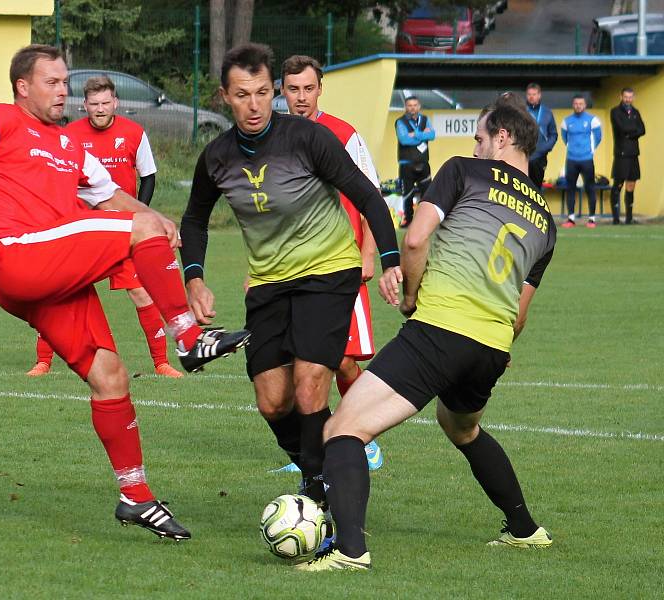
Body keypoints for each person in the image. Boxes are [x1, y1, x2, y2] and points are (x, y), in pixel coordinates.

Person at [0, 44, 250, 541]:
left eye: (65, 82)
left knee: (111, 377)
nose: (63, 90)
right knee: (140, 229)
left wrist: (157, 221)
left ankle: (136, 495)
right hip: (18, 256)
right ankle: (188, 338)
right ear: (23, 87)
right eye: (52, 82)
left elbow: (110, 197)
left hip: (51, 275)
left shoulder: (70, 146)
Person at [298, 93, 556, 571]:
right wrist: (497, 343)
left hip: (441, 329)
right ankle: (525, 529)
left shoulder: (463, 170)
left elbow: (415, 238)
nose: (476, 146)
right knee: (462, 427)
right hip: (492, 346)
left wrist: (411, 296)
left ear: (502, 137)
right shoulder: (545, 218)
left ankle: (349, 552)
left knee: (343, 428)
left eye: (480, 138)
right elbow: (519, 315)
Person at [179, 44, 401, 515]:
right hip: (267, 284)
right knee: (272, 401)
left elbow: (367, 194)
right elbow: (195, 218)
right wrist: (194, 279)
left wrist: (388, 258)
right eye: (243, 95)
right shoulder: (217, 157)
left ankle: (320, 494)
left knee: (308, 385)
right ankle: (319, 466)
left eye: (263, 92)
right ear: (225, 97)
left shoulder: (307, 138)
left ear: (272, 92)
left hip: (328, 272)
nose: (255, 104)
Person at [27, 75, 182, 379]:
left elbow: (148, 176)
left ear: (116, 103)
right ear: (85, 106)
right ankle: (43, 361)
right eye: (94, 104)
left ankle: (161, 363)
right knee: (57, 292)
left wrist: (141, 217)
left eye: (105, 103)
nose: (99, 109)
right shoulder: (68, 135)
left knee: (141, 293)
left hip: (123, 229)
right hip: (80, 230)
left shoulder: (134, 133)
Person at [274, 54, 384, 473]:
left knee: (341, 358)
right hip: (290, 268)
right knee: (301, 359)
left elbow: (372, 196)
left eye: (308, 88)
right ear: (282, 92)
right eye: (293, 89)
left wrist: (369, 253)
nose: (301, 98)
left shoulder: (344, 134)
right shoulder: (273, 137)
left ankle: (363, 437)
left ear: (320, 89)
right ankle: (312, 450)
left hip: (340, 266)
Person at [561, 94, 602, 228]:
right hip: (571, 160)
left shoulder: (593, 120)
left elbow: (598, 138)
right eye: (576, 104)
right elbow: (564, 138)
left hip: (587, 160)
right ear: (573, 105)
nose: (578, 106)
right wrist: (573, 150)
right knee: (570, 188)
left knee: (590, 188)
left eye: (581, 104)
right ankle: (571, 219)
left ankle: (591, 219)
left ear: (585, 105)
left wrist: (589, 151)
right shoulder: (566, 121)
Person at [395, 95, 435, 227]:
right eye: (409, 105)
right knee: (407, 194)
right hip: (406, 164)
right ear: (406, 107)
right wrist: (422, 134)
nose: (412, 108)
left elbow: (432, 135)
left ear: (419, 106)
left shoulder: (425, 119)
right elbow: (404, 140)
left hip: (424, 163)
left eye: (415, 105)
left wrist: (415, 134)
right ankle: (408, 220)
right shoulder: (400, 122)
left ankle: (426, 221)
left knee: (428, 194)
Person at [609, 87, 645, 225]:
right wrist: (633, 130)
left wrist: (630, 133)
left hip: (634, 153)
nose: (628, 99)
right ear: (621, 97)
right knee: (618, 185)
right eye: (626, 97)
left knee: (631, 185)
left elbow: (643, 129)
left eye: (630, 97)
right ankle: (616, 219)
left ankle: (629, 218)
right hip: (621, 153)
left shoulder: (636, 112)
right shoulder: (615, 111)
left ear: (633, 97)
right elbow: (621, 128)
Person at [525, 82, 557, 188]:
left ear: (539, 95)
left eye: (534, 94)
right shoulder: (521, 111)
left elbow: (553, 134)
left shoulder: (547, 112)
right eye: (529, 94)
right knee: (523, 188)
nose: (531, 97)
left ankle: (536, 205)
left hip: (540, 157)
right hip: (523, 156)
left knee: (536, 189)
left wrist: (545, 148)